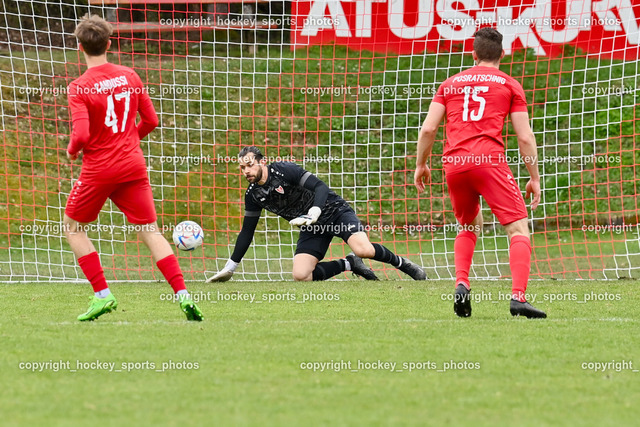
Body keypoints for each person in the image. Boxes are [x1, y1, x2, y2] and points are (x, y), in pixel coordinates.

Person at [64, 14, 203, 321]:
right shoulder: (130, 75)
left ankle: (102, 295)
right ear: (109, 43)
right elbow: (152, 121)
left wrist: (72, 150)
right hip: (132, 165)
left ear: (80, 47)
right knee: (150, 230)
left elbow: (82, 135)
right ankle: (183, 295)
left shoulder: (79, 87)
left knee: (73, 228)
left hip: (99, 170)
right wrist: (127, 140)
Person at [414, 27, 546, 319]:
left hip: (455, 165)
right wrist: (534, 177)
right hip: (489, 162)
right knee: (518, 228)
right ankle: (518, 298)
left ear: (473, 54)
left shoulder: (449, 84)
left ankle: (462, 283)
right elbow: (524, 137)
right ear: (502, 55)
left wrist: (421, 163)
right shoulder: (510, 84)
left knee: (469, 225)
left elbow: (428, 129)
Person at [207, 146, 426, 283]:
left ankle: (402, 264)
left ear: (262, 162)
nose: (246, 171)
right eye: (242, 168)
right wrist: (231, 266)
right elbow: (247, 232)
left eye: (249, 165)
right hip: (312, 226)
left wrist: (315, 210)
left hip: (333, 210)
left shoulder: (284, 169)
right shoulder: (253, 195)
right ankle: (349, 264)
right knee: (301, 276)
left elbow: (320, 187)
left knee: (364, 249)